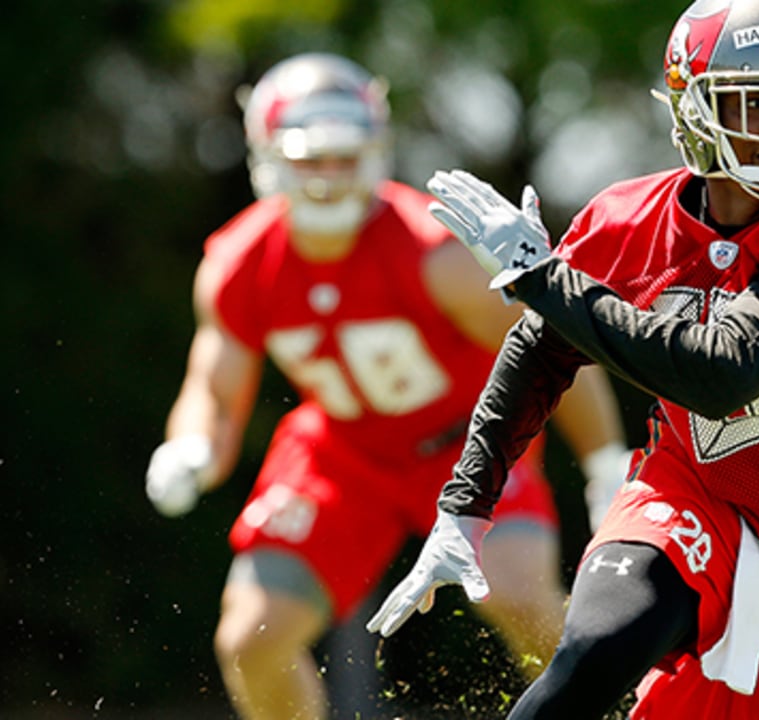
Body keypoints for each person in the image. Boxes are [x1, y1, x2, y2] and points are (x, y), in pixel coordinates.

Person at [366, 0, 759, 717]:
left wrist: (543, 279)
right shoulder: (627, 219)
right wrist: (464, 507)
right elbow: (542, 351)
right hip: (693, 488)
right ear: (693, 105)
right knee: (592, 656)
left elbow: (722, 374)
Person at [144, 52, 630, 720]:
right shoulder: (238, 263)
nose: (329, 176)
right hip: (345, 451)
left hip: (468, 440)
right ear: (267, 157)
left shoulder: (432, 251)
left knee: (519, 597)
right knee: (251, 637)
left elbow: (553, 347)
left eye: (345, 156)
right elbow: (213, 387)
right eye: (310, 158)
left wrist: (606, 464)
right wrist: (191, 447)